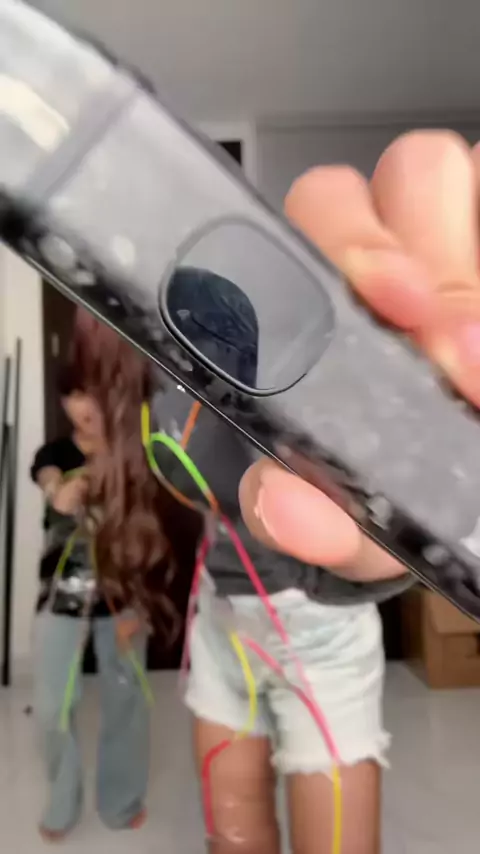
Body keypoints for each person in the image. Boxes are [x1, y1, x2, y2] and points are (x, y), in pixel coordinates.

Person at [145, 130, 480, 854]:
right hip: (223, 615)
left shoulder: (281, 329)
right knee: (232, 824)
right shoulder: (169, 348)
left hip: (318, 625)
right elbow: (189, 471)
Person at [30, 322, 175, 841]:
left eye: (92, 392)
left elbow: (152, 533)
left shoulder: (139, 456)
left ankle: (120, 800)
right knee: (51, 707)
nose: (83, 406)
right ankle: (62, 799)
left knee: (126, 701)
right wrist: (61, 490)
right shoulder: (56, 453)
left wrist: (139, 608)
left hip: (124, 603)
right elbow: (48, 475)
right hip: (60, 602)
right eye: (73, 393)